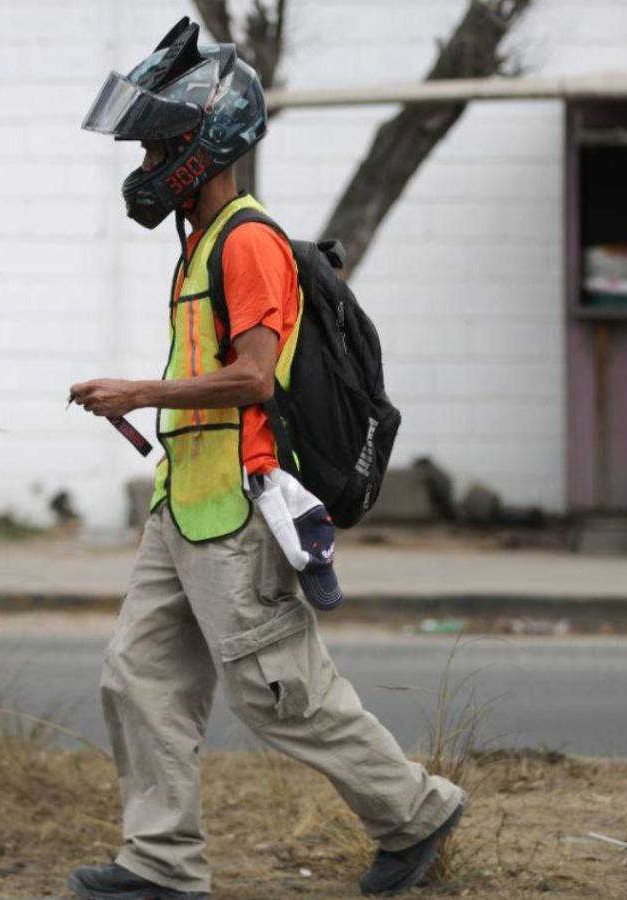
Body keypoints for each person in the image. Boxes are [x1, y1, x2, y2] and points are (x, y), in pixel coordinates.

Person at [67, 18, 466, 899]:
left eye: (153, 147)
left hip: (234, 516)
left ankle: (416, 812)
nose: (141, 166)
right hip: (184, 508)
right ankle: (161, 864)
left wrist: (139, 393)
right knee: (139, 678)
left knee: (282, 690)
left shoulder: (246, 243)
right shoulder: (200, 245)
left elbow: (250, 380)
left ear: (201, 145)